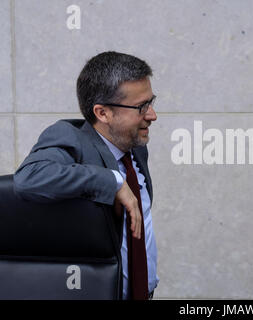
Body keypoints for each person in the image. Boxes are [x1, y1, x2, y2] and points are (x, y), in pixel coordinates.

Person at [14, 51, 158, 300]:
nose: (152, 115)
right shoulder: (71, 137)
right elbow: (29, 178)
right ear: (102, 113)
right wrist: (112, 182)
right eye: (141, 107)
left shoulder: (137, 147)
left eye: (151, 102)